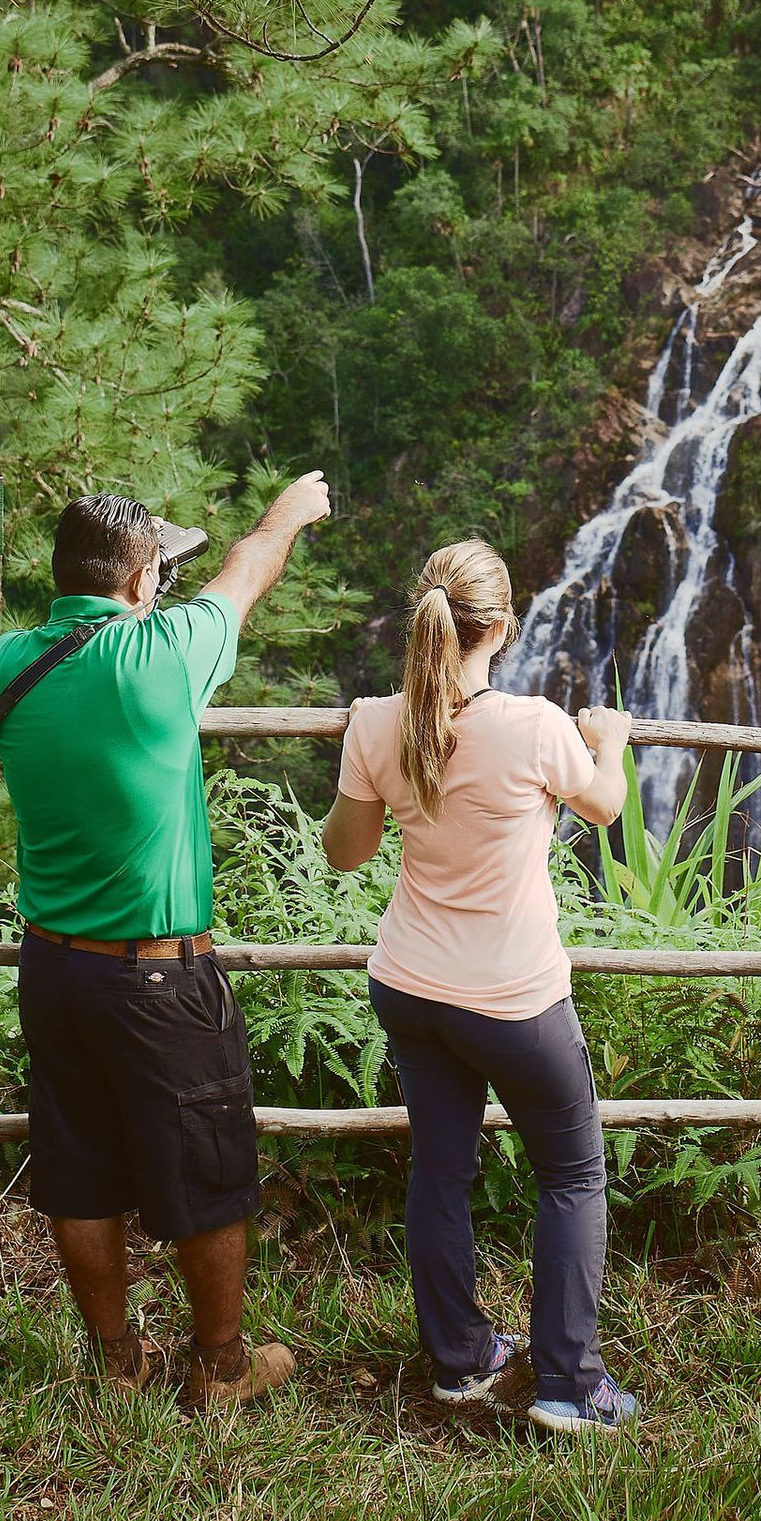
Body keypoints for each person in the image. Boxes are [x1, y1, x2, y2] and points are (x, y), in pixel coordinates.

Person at [0, 475, 330, 1406]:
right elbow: (249, 572)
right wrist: (286, 514)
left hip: (51, 967)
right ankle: (219, 1366)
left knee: (79, 1166)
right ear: (141, 579)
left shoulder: (7, 660)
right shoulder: (164, 655)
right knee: (210, 1167)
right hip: (157, 975)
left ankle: (115, 1361)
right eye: (159, 573)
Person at [322, 538, 639, 1436]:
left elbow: (346, 853)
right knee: (573, 1173)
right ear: (500, 627)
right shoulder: (537, 726)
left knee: (441, 1170)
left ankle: (461, 1364)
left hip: (412, 988)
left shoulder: (377, 724)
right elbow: (605, 807)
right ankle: (570, 1387)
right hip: (515, 1000)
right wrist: (608, 739)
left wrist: (360, 745)